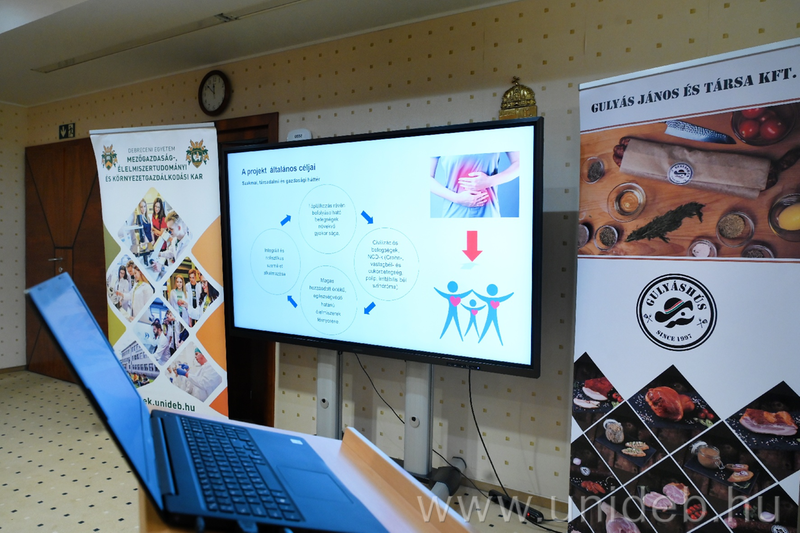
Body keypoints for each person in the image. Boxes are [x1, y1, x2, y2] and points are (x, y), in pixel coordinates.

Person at [429, 151, 520, 218]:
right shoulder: (441, 139)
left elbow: (520, 163)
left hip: (489, 214)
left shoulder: (498, 134)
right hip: (454, 214)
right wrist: (456, 198)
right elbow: (426, 178)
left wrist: (489, 181)